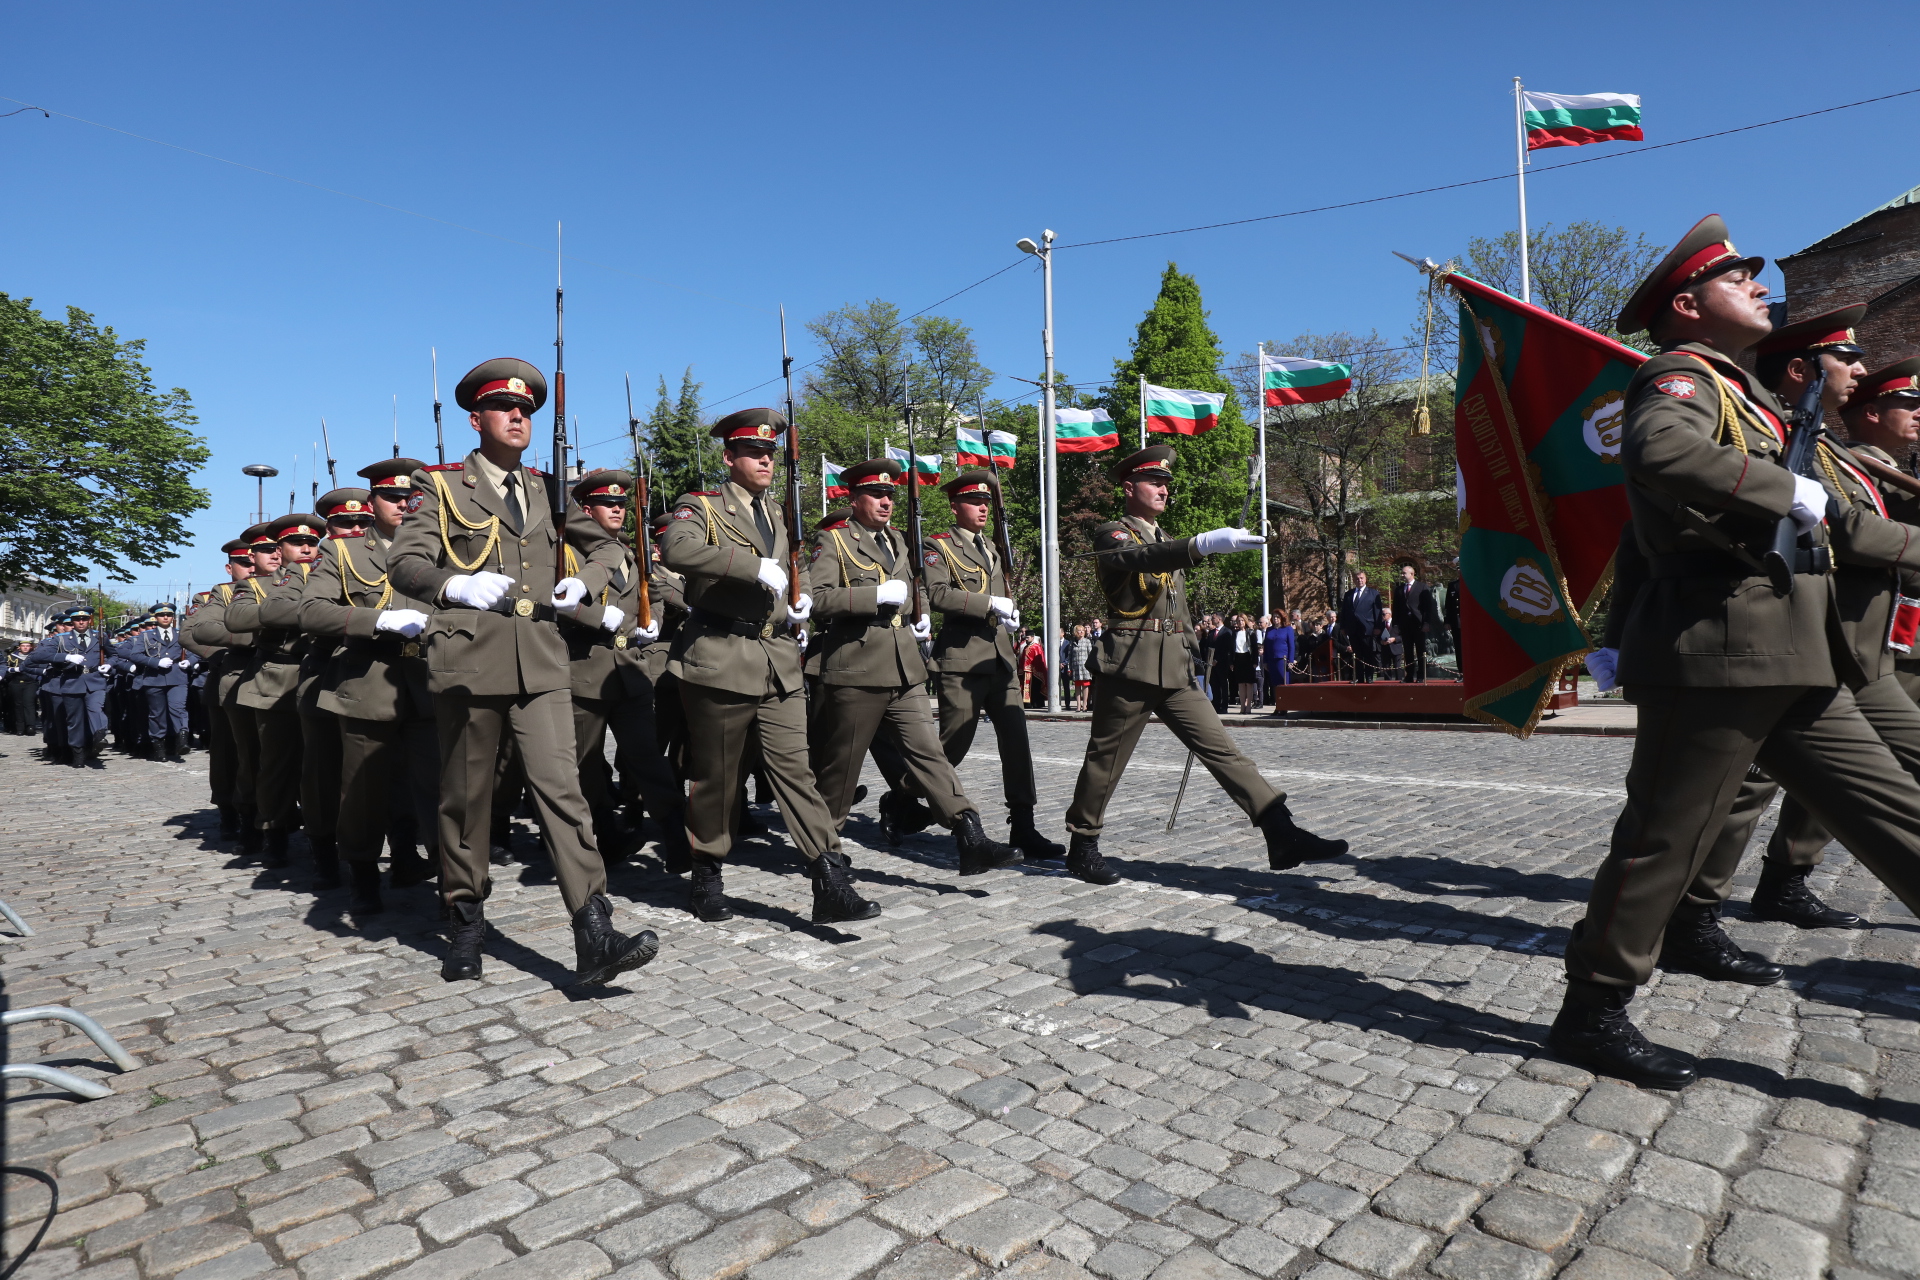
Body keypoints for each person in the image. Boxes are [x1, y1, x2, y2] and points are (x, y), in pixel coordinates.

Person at [1555, 215, 1920, 1090]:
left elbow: (1835, 515)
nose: (1759, 284)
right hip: (1718, 651)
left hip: (1796, 653)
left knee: (1898, 818)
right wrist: (1790, 490)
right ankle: (1593, 1009)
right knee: (1661, 846)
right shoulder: (1676, 377)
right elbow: (1660, 452)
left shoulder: (1750, 398)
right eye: (1738, 277)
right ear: (1688, 305)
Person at [388, 356, 659, 985]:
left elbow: (612, 547)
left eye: (528, 410)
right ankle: (462, 919)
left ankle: (594, 928)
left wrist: (582, 584)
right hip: (470, 659)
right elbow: (405, 563)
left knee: (564, 793)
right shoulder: (442, 487)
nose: (518, 416)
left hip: (539, 659)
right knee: (466, 800)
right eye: (506, 408)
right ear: (476, 418)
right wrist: (455, 584)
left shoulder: (548, 489)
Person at [1062, 445, 1348, 882]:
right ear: (1128, 488)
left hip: (1174, 668)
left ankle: (1281, 831)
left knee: (1224, 750)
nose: (1163, 489)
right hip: (1130, 667)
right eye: (1154, 482)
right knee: (1106, 759)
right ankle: (1082, 844)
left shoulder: (1163, 540)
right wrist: (1201, 545)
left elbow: (1177, 610)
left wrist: (1194, 650)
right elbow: (1136, 561)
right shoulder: (1114, 533)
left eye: (1166, 484)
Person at [659, 408, 879, 924]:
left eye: (770, 454)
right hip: (718, 656)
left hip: (776, 659)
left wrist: (794, 609)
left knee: (795, 772)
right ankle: (707, 871)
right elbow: (676, 547)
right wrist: (749, 567)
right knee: (717, 777)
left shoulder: (778, 513)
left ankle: (828, 876)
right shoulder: (703, 506)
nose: (764, 460)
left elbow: (789, 573)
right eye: (754, 453)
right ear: (728, 457)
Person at [806, 457, 1022, 875]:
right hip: (856, 666)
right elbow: (818, 600)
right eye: (876, 494)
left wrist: (911, 614)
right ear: (854, 499)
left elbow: (912, 593)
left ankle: (969, 835)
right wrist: (873, 598)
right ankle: (823, 851)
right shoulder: (833, 541)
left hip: (905, 664)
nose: (886, 501)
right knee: (841, 769)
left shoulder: (901, 541)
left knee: (930, 755)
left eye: (889, 494)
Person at [298, 466, 440, 911]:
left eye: (412, 497)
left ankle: (446, 878)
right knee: (363, 791)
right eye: (393, 497)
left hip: (430, 684)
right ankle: (361, 873)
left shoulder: (442, 549)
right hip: (368, 683)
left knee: (437, 788)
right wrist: (375, 620)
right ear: (373, 501)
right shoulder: (343, 553)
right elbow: (311, 611)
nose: (403, 504)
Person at [920, 469, 1065, 859]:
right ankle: (902, 802)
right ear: (955, 507)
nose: (982, 508)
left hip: (1000, 659)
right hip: (962, 661)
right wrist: (988, 604)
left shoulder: (994, 549)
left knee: (1017, 744)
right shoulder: (938, 545)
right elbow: (937, 594)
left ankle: (1024, 825)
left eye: (986, 502)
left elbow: (1001, 596)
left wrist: (1009, 614)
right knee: (952, 747)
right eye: (973, 502)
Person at [561, 469, 685, 871]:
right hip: (584, 671)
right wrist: (598, 617)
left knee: (647, 758)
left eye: (620, 504)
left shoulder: (631, 551)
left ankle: (675, 834)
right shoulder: (568, 554)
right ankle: (604, 834)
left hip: (630, 672)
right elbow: (555, 603)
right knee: (586, 766)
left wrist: (653, 621)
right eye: (607, 504)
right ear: (585, 510)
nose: (617, 509)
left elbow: (654, 593)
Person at [225, 513, 327, 870]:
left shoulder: (334, 579)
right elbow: (236, 621)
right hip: (278, 679)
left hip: (326, 680)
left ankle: (325, 837)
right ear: (278, 550)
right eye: (296, 543)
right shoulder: (257, 587)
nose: (305, 548)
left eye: (312, 543)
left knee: (321, 768)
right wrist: (308, 610)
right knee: (276, 766)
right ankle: (275, 832)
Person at [193, 535, 270, 847]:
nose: (251, 567)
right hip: (233, 677)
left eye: (255, 559)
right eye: (243, 562)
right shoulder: (219, 594)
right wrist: (241, 645)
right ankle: (229, 809)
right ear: (230, 567)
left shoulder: (284, 585)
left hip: (276, 678)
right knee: (229, 754)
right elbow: (194, 635)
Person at [31, 607, 114, 767]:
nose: (81, 622)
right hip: (71, 682)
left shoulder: (100, 637)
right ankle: (78, 753)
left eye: (84, 619)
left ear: (90, 620)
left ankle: (100, 734)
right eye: (77, 619)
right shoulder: (61, 639)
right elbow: (37, 656)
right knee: (74, 721)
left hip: (95, 680)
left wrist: (109, 665)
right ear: (72, 622)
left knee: (96, 708)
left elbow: (114, 655)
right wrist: (66, 656)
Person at [119, 602, 195, 761]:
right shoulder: (146, 636)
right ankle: (158, 746)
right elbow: (135, 655)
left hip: (177, 677)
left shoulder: (182, 634)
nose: (165, 617)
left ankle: (182, 739)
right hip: (154, 678)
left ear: (173, 617)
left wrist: (190, 662)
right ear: (156, 617)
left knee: (178, 708)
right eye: (161, 615)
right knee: (157, 714)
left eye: (168, 615)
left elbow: (196, 651)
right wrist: (155, 662)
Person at [1392, 564, 1441, 682]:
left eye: (1404, 573)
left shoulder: (1422, 587)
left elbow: (1427, 607)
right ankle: (1409, 675)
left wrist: (1426, 623)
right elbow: (1396, 609)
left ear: (1412, 574)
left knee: (1420, 650)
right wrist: (1396, 625)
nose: (1402, 575)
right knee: (1408, 651)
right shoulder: (1399, 589)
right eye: (1402, 573)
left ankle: (1420, 676)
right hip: (1405, 625)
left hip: (1418, 624)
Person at [1337, 572, 1383, 683]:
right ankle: (1359, 677)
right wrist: (1343, 626)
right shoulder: (1349, 594)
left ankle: (1369, 676)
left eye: (1361, 578)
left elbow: (1378, 612)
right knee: (1357, 654)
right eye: (1357, 579)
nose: (1359, 580)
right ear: (1354, 580)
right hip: (1353, 629)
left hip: (1367, 628)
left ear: (1365, 579)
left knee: (1368, 653)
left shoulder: (1373, 593)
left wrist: (1378, 627)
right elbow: (1344, 612)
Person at [5, 640, 39, 736]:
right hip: (16, 683)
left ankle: (30, 726)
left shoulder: (34, 657)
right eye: (23, 646)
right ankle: (20, 727)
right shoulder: (11, 657)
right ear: (19, 647)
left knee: (29, 704)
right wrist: (12, 670)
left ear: (31, 647)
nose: (25, 647)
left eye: (27, 646)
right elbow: (5, 669)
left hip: (30, 683)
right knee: (18, 705)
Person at [1068, 624, 1092, 711]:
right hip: (1075, 668)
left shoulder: (1087, 642)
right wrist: (1069, 668)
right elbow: (1070, 656)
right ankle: (1078, 705)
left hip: (1085, 668)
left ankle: (1085, 705)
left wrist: (1090, 667)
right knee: (1077, 686)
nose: (1081, 632)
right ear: (1075, 632)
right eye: (1079, 630)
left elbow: (1090, 655)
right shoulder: (1072, 642)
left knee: (1085, 686)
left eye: (1083, 630)